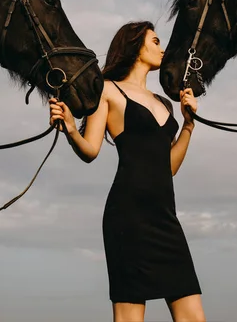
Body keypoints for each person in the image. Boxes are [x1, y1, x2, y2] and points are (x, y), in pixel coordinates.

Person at [49, 21, 205, 322]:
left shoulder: (164, 104)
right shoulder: (108, 91)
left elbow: (168, 167)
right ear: (136, 45)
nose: (163, 48)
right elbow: (90, 150)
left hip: (165, 219)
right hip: (128, 216)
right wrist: (70, 127)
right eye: (156, 41)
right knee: (129, 317)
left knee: (193, 317)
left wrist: (188, 124)